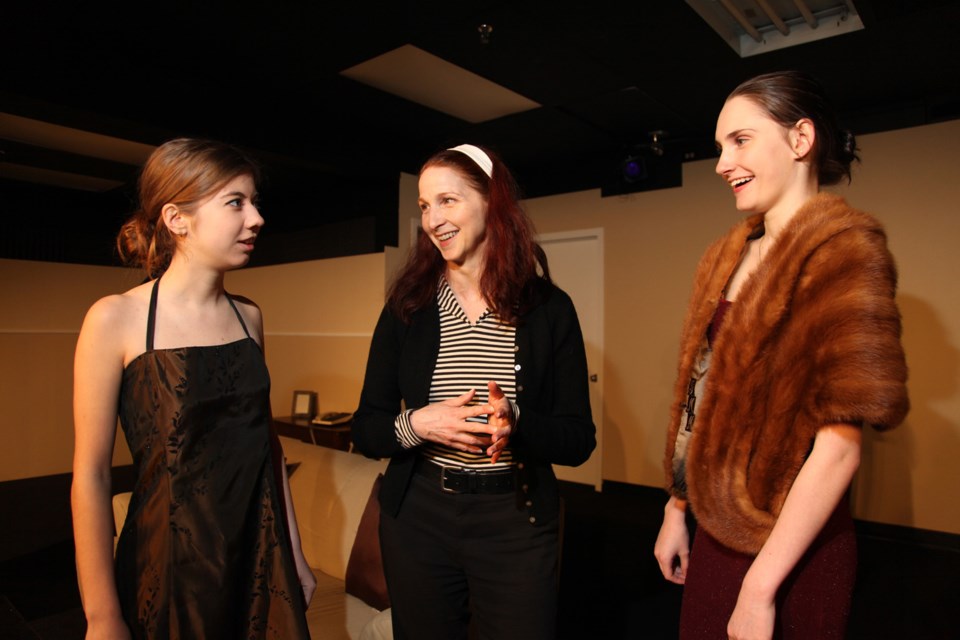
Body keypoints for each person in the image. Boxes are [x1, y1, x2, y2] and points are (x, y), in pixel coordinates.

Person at [653, 70, 909, 640]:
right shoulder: (725, 254)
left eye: (739, 140)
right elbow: (698, 393)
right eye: (720, 146)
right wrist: (677, 509)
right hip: (715, 529)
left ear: (800, 139)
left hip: (793, 544)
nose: (721, 163)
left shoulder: (844, 251)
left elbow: (839, 451)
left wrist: (759, 588)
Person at [71, 138, 314, 639]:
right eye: (235, 202)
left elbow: (266, 448)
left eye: (254, 202)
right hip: (170, 568)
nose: (256, 218)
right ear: (177, 219)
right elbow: (91, 476)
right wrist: (102, 616)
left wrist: (294, 555)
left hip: (257, 558)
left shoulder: (250, 318)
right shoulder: (115, 318)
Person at [352, 143, 596, 639]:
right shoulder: (408, 306)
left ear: (491, 200)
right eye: (424, 206)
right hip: (418, 518)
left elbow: (578, 440)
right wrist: (419, 423)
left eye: (448, 201)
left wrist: (519, 422)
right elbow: (367, 426)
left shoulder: (549, 309)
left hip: (514, 522)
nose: (433, 219)